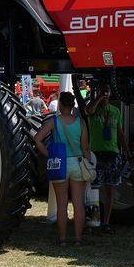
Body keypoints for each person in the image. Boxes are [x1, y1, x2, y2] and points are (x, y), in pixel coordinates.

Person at [33, 92, 92, 246]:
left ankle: (62, 239)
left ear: (59, 105)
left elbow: (37, 139)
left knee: (62, 204)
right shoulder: (80, 123)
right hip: (78, 163)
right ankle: (78, 239)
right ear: (73, 106)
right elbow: (85, 149)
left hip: (60, 163)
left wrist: (49, 154)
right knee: (79, 204)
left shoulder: (54, 122)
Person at [85, 82, 130, 233]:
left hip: (112, 153)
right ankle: (93, 221)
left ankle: (106, 222)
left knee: (110, 189)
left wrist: (127, 153)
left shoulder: (115, 111)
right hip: (96, 153)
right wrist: (99, 98)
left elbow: (120, 133)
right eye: (102, 90)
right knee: (94, 189)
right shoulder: (94, 108)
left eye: (107, 91)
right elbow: (89, 110)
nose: (105, 93)